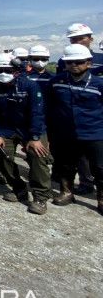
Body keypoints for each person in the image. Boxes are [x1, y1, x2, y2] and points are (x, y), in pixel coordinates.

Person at [0, 53, 51, 215]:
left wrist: (35, 137)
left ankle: (40, 196)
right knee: (1, 155)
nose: (2, 73)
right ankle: (18, 188)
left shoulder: (30, 86)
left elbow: (37, 112)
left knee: (38, 156)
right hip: (5, 128)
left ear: (16, 69)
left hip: (30, 128)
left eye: (7, 69)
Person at [46, 44, 103, 215]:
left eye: (79, 62)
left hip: (94, 132)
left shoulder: (99, 84)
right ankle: (67, 192)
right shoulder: (56, 82)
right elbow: (50, 106)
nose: (74, 65)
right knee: (66, 165)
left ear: (89, 63)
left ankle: (101, 197)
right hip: (66, 133)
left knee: (100, 167)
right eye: (69, 62)